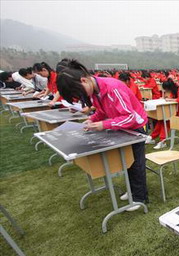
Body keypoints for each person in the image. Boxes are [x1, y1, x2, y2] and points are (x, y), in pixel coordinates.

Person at [56, 59, 149, 211]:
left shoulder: (113, 88)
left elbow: (129, 117)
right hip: (121, 126)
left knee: (135, 164)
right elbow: (102, 111)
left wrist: (104, 124)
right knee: (126, 161)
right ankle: (133, 190)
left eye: (78, 93)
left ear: (84, 80)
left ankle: (140, 198)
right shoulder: (95, 90)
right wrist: (92, 119)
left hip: (136, 128)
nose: (80, 97)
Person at [148, 78, 179, 149]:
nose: (166, 91)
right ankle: (152, 137)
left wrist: (170, 99)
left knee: (166, 121)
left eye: (166, 90)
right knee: (161, 120)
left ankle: (162, 141)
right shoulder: (173, 91)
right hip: (174, 112)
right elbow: (171, 99)